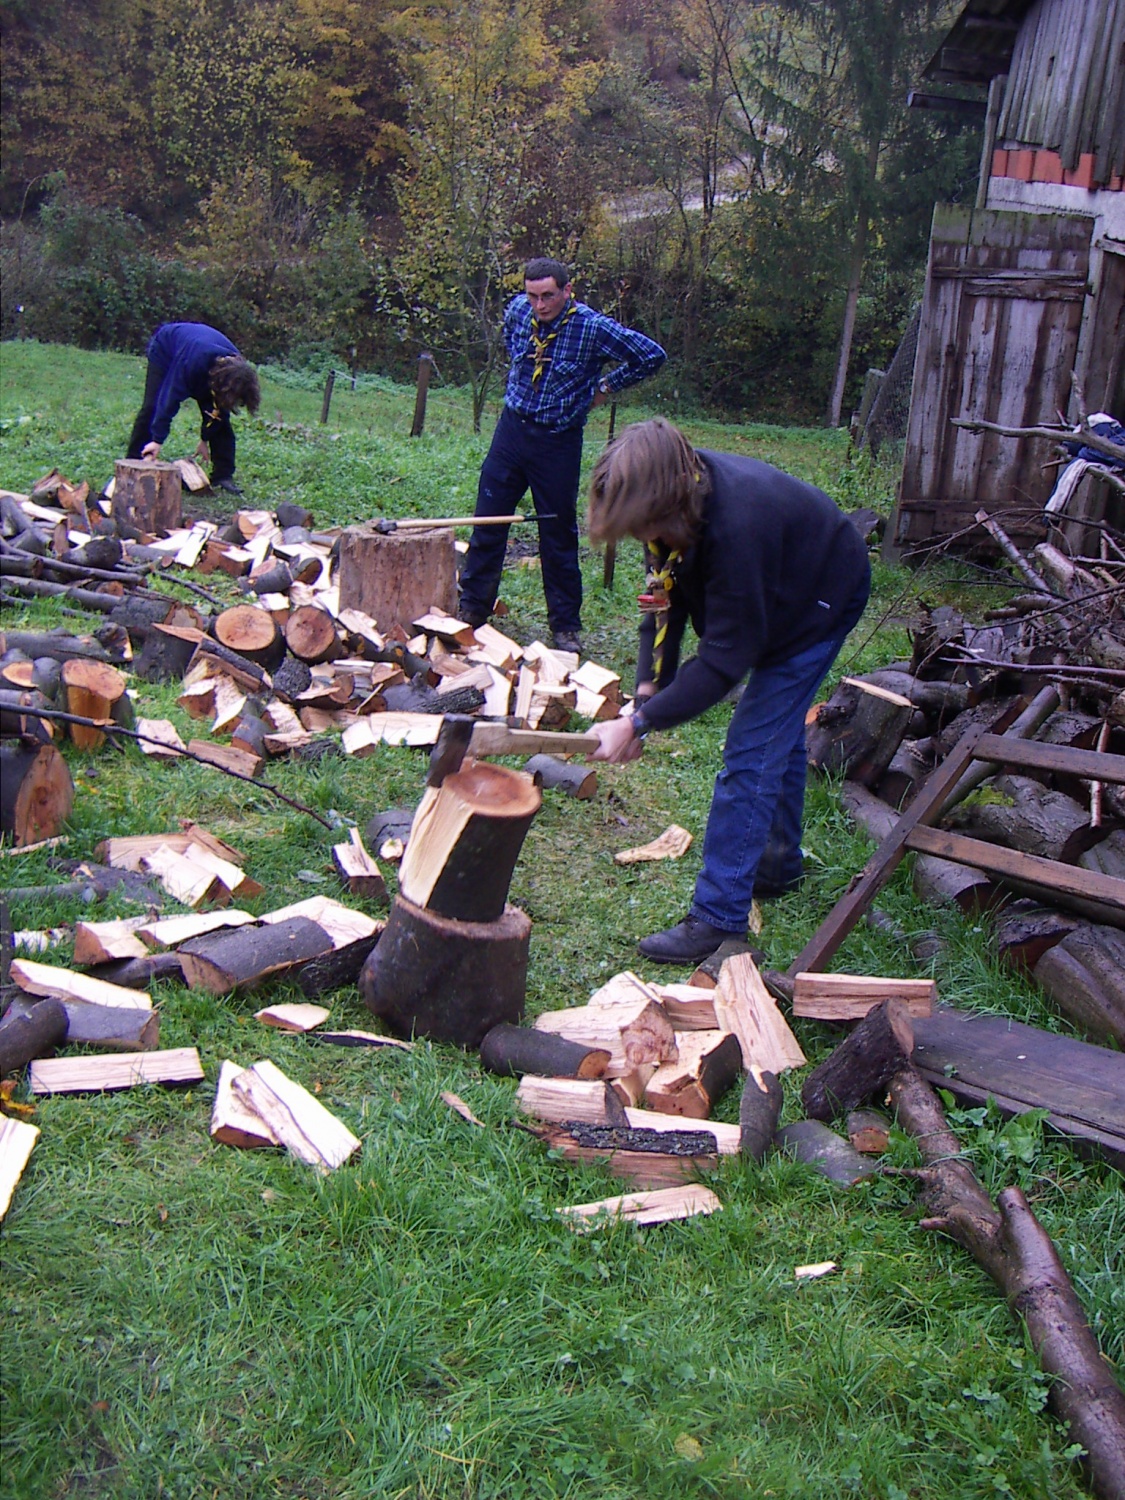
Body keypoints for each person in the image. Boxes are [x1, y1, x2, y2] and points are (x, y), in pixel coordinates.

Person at [586, 417, 871, 965]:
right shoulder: (669, 509)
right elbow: (661, 605)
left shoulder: (738, 527)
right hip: (777, 585)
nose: (645, 542)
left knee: (750, 750)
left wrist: (638, 724)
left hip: (820, 595)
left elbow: (722, 664)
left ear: (669, 503)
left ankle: (718, 918)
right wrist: (646, 694)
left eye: (646, 530)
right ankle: (778, 863)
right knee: (774, 735)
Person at [457, 258, 666, 654]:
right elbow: (512, 343)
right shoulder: (518, 311)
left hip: (558, 440)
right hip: (512, 430)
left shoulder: (591, 327)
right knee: (488, 520)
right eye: (533, 296)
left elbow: (651, 355)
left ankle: (565, 627)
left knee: (557, 533)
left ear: (567, 292)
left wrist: (603, 386)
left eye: (548, 296)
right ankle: (472, 610)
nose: (539, 305)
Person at [126, 322, 260, 495]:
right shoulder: (191, 365)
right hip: (166, 350)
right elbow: (169, 399)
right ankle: (133, 460)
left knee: (222, 419)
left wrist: (205, 438)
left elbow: (216, 409)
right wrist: (157, 440)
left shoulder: (235, 371)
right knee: (152, 406)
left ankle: (223, 475)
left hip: (206, 361)